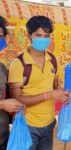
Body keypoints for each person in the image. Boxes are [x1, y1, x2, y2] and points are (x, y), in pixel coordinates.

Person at [8, 16, 71, 150]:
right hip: (27, 124)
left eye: (46, 36)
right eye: (38, 35)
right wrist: (48, 95)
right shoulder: (18, 64)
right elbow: (17, 99)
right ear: (29, 36)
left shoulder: (53, 59)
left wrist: (63, 94)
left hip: (49, 123)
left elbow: (56, 86)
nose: (43, 39)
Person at [0, 16, 23, 150]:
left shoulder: (2, 68)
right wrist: (3, 104)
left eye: (1, 36)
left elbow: (9, 96)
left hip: (3, 139)